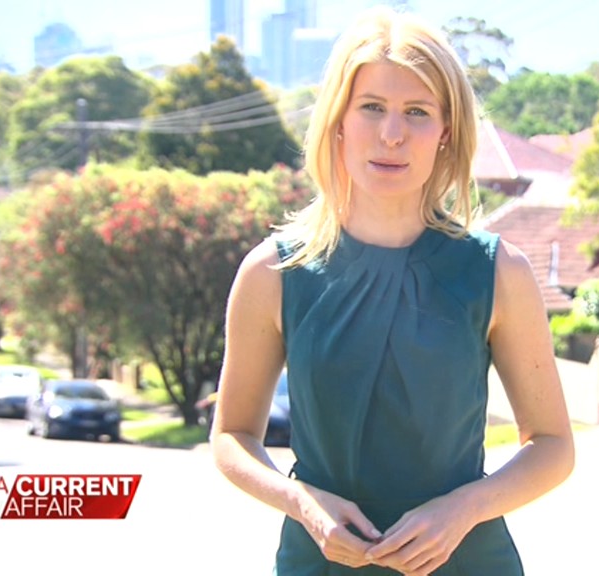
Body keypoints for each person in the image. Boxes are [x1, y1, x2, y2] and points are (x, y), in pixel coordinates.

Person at [211, 7, 574, 575]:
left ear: (446, 131)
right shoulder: (272, 272)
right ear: (338, 119)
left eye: (417, 112)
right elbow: (231, 437)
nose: (392, 134)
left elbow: (553, 445)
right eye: (372, 107)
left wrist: (463, 509)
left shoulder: (499, 272)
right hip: (319, 563)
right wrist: (302, 503)